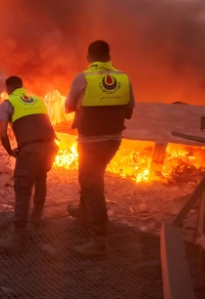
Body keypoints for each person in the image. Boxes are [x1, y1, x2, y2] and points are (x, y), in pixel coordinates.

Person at [64, 40, 135, 256]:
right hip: (113, 140)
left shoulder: (82, 78)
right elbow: (129, 112)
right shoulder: (123, 78)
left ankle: (99, 240)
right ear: (109, 56)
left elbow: (67, 108)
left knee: (93, 185)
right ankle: (84, 212)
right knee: (88, 178)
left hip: (91, 142)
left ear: (89, 58)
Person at [0, 76, 58, 252]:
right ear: (22, 87)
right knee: (40, 176)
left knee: (22, 188)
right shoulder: (38, 99)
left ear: (7, 90)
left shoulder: (7, 103)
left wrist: (10, 151)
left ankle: (16, 238)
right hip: (51, 146)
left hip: (31, 149)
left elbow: (4, 135)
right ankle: (36, 219)